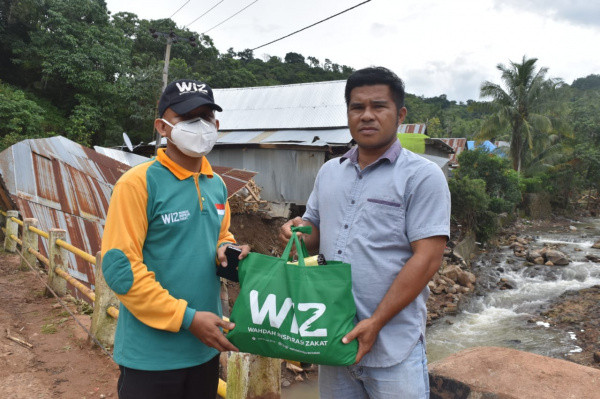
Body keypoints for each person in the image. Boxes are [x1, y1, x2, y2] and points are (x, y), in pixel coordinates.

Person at [280, 67, 450, 398]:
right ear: (348, 114)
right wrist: (295, 230)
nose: (367, 116)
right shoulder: (330, 172)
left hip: (393, 348)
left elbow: (428, 259)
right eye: (357, 107)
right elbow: (313, 230)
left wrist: (375, 323)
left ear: (399, 114)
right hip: (331, 336)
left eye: (378, 106)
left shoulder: (422, 176)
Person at [101, 79, 249, 399]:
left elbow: (220, 235)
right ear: (163, 127)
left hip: (204, 349)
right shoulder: (138, 184)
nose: (199, 126)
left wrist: (229, 250)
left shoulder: (217, 186)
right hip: (151, 357)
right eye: (186, 117)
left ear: (217, 124)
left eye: (206, 117)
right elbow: (120, 268)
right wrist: (187, 318)